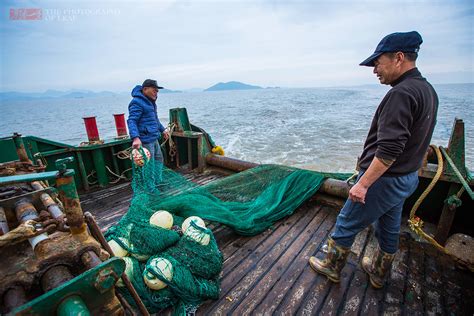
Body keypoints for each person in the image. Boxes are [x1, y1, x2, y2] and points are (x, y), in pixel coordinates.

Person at [309, 31, 438, 289]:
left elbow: (389, 150)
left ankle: (332, 266)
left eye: (377, 62)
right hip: (406, 178)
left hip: (384, 179)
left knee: (346, 221)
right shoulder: (427, 90)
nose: (374, 70)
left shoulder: (401, 94)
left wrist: (363, 184)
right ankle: (379, 273)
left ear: (399, 58)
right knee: (389, 226)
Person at [127, 79, 169, 163]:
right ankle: (151, 177)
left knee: (159, 161)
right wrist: (135, 138)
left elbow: (154, 120)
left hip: (154, 138)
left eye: (157, 91)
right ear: (145, 89)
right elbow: (132, 121)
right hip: (145, 141)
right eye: (154, 90)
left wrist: (163, 130)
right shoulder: (136, 102)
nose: (156, 93)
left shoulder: (150, 102)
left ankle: (157, 177)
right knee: (149, 165)